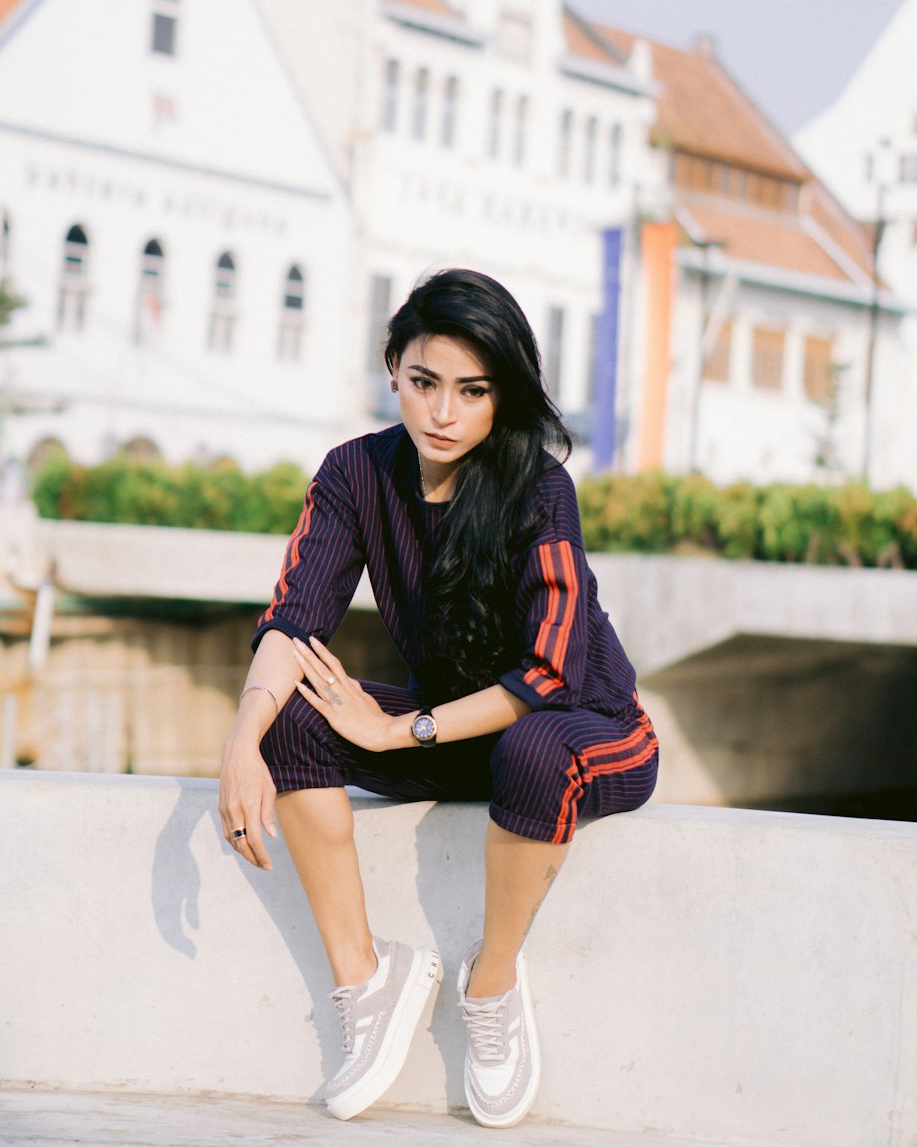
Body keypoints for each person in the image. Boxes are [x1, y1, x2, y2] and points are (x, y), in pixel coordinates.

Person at [219, 268, 658, 1128]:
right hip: (453, 733)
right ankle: (366, 980)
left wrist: (399, 731)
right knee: (292, 716)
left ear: (504, 395)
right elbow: (296, 614)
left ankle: (490, 987)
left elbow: (547, 677)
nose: (443, 413)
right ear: (393, 372)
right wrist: (243, 736)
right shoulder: (355, 474)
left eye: (472, 390)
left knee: (534, 750)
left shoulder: (539, 490)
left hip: (587, 731)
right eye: (424, 383)